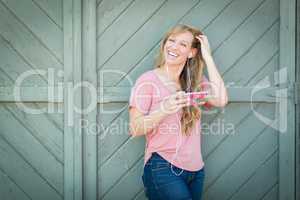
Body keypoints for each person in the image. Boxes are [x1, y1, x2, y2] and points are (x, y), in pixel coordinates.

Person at [128, 24, 228, 200]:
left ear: (192, 52)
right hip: (163, 168)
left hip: (196, 172)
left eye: (183, 44)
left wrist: (208, 58)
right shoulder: (148, 80)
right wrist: (164, 109)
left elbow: (221, 99)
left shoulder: (195, 81)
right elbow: (135, 128)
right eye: (171, 40)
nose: (174, 47)